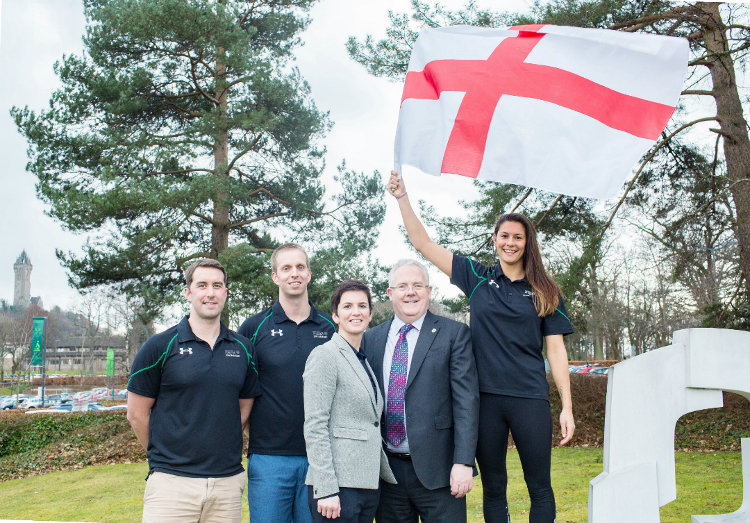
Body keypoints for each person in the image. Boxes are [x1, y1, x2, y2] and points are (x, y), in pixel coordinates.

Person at [387, 171, 575, 523]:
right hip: (484, 400)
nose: (510, 242)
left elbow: (556, 351)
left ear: (527, 242)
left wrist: (566, 406)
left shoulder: (546, 290)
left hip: (530, 399)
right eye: (504, 235)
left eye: (518, 237)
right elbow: (423, 244)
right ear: (495, 239)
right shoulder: (477, 279)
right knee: (494, 487)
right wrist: (402, 198)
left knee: (540, 487)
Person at [127, 258, 260, 523]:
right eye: (202, 285)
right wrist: (163, 459)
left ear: (225, 292)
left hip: (226, 483)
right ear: (188, 292)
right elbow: (136, 414)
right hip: (171, 484)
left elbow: (244, 409)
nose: (210, 292)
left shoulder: (244, 348)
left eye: (217, 285)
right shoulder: (159, 346)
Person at [363, 259, 479, 523]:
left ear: (429, 291)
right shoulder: (371, 339)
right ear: (390, 294)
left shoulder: (454, 334)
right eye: (402, 286)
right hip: (387, 473)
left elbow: (466, 403)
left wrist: (463, 462)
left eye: (417, 285)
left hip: (439, 472)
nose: (410, 292)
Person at [238, 243, 336, 523]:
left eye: (300, 267)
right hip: (269, 458)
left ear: (309, 273)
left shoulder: (330, 328)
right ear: (275, 277)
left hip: (320, 459)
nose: (294, 273)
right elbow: (241, 390)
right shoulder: (253, 328)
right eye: (286, 268)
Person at [303, 279, 397, 522]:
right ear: (335, 315)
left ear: (370, 313)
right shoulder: (325, 355)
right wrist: (326, 489)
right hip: (337, 488)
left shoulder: (362, 360)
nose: (356, 312)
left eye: (362, 306)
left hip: (366, 484)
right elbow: (315, 425)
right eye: (347, 306)